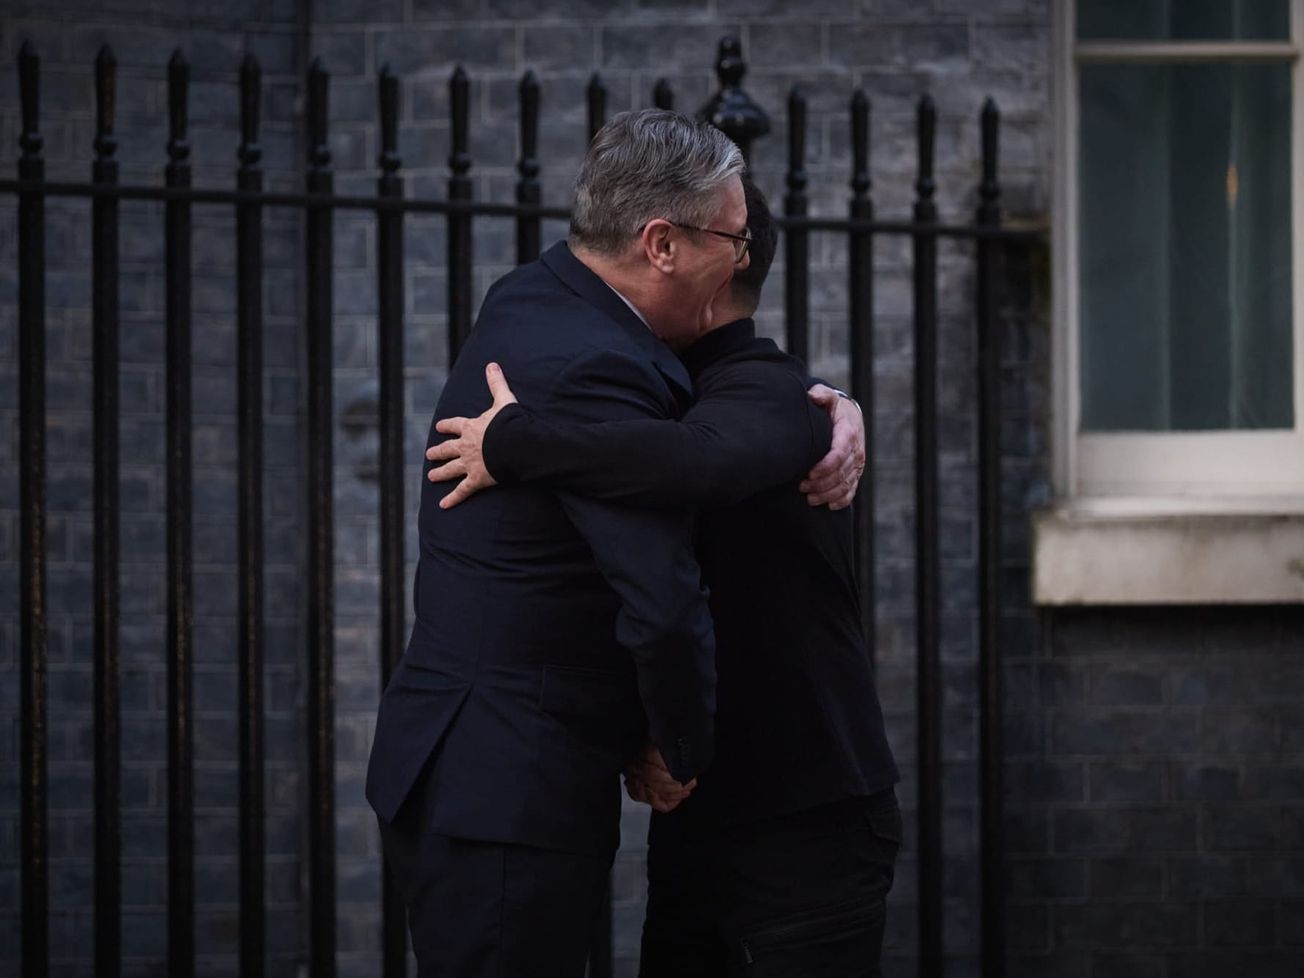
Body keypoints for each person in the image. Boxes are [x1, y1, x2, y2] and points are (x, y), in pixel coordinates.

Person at [365, 111, 860, 978]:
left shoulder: (533, 299)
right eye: (733, 242)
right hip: (509, 789)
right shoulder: (599, 365)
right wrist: (677, 746)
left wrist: (826, 405)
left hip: (469, 771)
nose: (743, 263)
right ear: (662, 243)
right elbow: (660, 598)